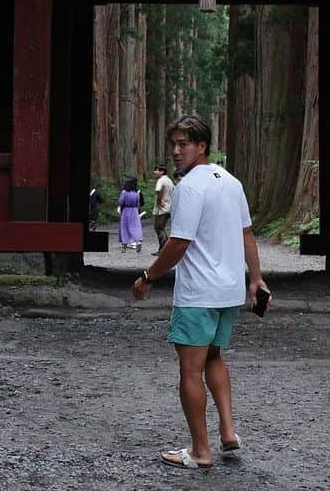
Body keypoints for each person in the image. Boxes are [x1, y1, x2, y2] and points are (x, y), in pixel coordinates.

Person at [131, 113, 271, 470]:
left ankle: (200, 451)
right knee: (214, 357)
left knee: (190, 371)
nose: (177, 151)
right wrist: (255, 280)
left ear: (202, 146)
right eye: (174, 144)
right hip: (228, 292)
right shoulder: (231, 181)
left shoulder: (190, 186)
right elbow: (247, 234)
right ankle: (228, 431)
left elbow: (178, 243)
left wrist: (148, 277)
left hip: (198, 294)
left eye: (184, 144)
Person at [152, 162, 174, 253]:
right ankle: (164, 249)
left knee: (159, 228)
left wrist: (159, 202)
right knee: (161, 228)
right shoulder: (169, 180)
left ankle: (164, 250)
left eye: (156, 170)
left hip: (162, 209)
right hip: (168, 207)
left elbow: (158, 191)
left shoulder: (161, 180)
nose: (154, 172)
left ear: (162, 172)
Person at [118, 175, 143, 253]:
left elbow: (121, 202)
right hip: (134, 211)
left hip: (126, 211)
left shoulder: (124, 192)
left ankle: (124, 245)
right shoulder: (136, 193)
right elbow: (138, 203)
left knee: (125, 227)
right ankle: (138, 242)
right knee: (135, 227)